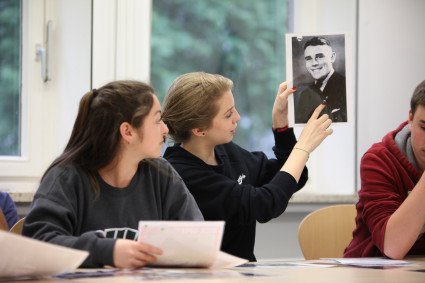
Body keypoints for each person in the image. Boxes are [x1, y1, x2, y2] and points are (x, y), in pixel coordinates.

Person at [22, 80, 203, 268]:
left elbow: (196, 238)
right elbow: (38, 243)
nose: (165, 129)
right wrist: (107, 251)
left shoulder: (162, 174)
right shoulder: (66, 177)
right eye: (157, 120)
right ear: (128, 131)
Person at [161, 72, 333, 261]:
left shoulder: (226, 150)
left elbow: (293, 179)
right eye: (228, 115)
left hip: (242, 273)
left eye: (234, 109)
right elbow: (265, 204)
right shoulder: (182, 175)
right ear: (199, 130)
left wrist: (281, 127)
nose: (238, 117)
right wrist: (302, 148)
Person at [344, 79, 425, 259]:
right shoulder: (378, 160)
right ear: (410, 119)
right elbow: (393, 247)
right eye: (424, 127)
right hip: (373, 272)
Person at [294, 36, 347, 123]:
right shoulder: (304, 95)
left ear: (332, 57)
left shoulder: (346, 87)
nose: (314, 63)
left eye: (320, 56)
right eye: (309, 59)